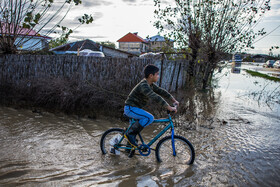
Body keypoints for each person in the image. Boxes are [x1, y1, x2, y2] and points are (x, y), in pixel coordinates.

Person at [124, 64, 179, 148]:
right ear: (151, 75)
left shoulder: (150, 85)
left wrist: (173, 100)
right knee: (149, 118)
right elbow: (155, 96)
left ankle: (129, 148)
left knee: (137, 127)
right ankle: (130, 134)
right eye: (157, 74)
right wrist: (169, 107)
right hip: (130, 108)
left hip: (135, 109)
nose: (158, 76)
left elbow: (161, 91)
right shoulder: (144, 85)